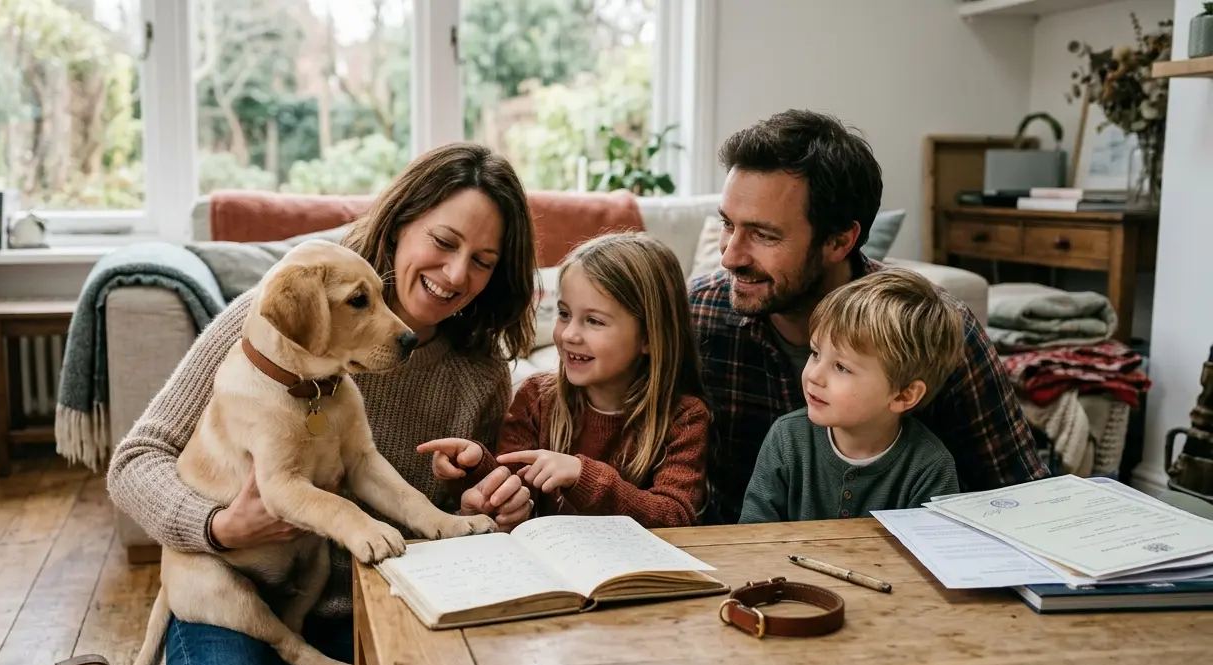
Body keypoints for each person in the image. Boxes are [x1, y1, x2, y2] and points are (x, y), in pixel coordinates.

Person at [0, 143, 539, 665]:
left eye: (484, 262)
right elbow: (135, 460)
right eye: (443, 241)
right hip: (227, 578)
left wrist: (480, 494)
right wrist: (217, 527)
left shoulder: (481, 374)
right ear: (402, 221)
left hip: (350, 612)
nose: (457, 272)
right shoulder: (267, 330)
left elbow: (435, 511)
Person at [689, 109, 1046, 524]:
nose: (730, 255)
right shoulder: (697, 315)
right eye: (728, 225)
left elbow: (1020, 498)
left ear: (840, 240)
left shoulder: (934, 330)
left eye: (765, 235)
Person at [419, 232, 709, 530]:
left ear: (649, 336)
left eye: (594, 321)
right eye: (564, 314)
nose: (569, 334)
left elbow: (676, 515)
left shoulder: (684, 417)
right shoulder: (536, 398)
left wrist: (583, 477)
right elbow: (513, 488)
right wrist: (474, 466)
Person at [739, 268, 962, 524]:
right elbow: (752, 535)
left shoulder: (930, 467)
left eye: (841, 367)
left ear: (904, 395)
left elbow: (927, 556)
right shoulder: (787, 438)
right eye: (815, 353)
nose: (814, 376)